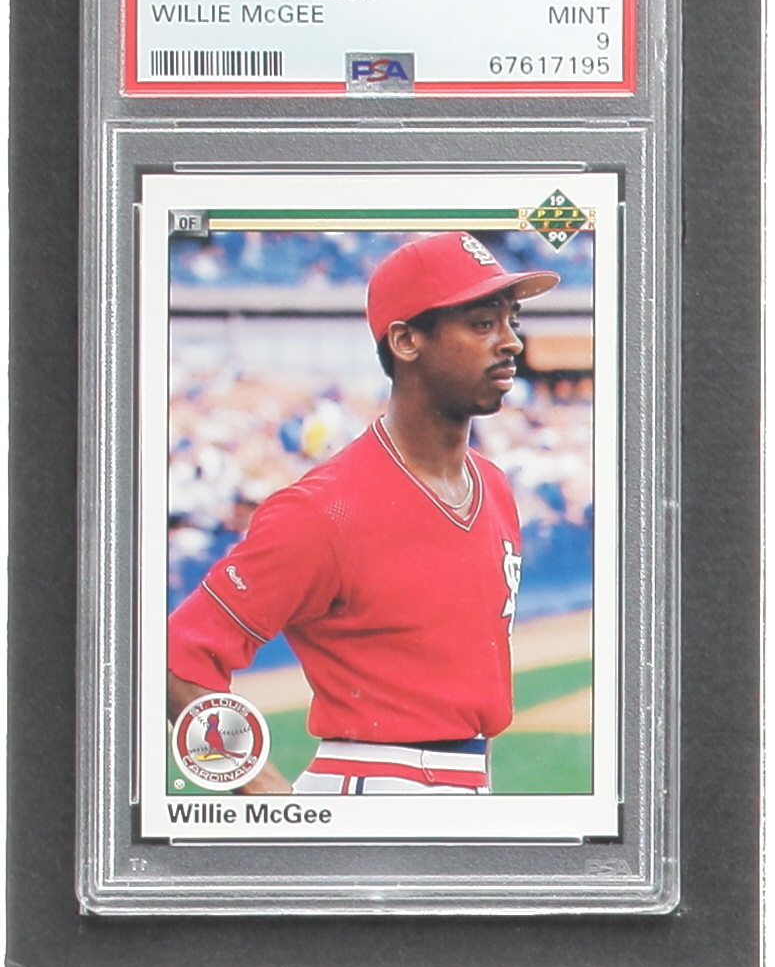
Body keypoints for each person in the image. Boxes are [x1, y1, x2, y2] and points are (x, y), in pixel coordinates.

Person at [167, 231, 559, 794]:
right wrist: (261, 792)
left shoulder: (493, 486)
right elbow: (176, 660)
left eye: (511, 321)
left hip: (468, 787)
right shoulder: (325, 508)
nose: (512, 342)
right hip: (368, 787)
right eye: (481, 323)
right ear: (406, 340)